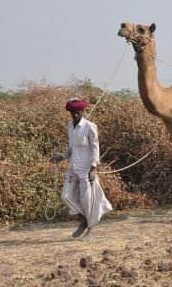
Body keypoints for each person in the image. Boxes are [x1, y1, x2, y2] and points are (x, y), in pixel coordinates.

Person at [51, 98, 112, 240]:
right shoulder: (70, 126)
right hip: (73, 167)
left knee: (87, 200)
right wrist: (62, 156)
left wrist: (93, 168)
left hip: (86, 169)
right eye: (72, 113)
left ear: (83, 111)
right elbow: (72, 148)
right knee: (65, 195)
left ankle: (90, 230)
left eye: (77, 112)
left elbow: (95, 148)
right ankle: (83, 219)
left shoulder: (90, 127)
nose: (75, 115)